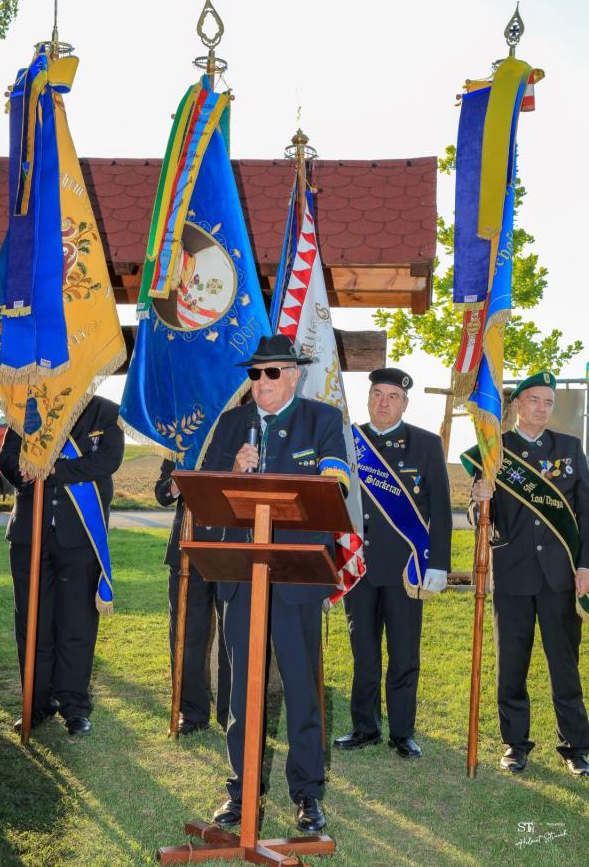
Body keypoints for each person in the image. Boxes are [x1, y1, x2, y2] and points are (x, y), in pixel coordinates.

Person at [200, 334, 350, 834]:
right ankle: (240, 791)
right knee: (242, 688)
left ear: (294, 375)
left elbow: (336, 481)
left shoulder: (322, 421)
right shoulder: (231, 425)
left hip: (296, 576)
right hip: (242, 575)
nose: (260, 382)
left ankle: (306, 794)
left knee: (302, 690)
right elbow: (205, 493)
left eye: (271, 373)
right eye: (255, 373)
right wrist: (232, 471)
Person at [469, 372, 589, 776]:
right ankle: (515, 744)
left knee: (564, 664)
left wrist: (586, 564)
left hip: (560, 577)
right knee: (512, 665)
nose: (542, 408)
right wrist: (477, 498)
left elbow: (586, 514)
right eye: (534, 400)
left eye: (548, 402)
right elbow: (478, 517)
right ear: (517, 404)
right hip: (514, 574)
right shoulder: (494, 451)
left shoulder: (570, 448)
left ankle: (576, 745)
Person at [334, 368, 452, 758]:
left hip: (406, 570)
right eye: (377, 395)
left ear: (405, 403)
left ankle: (402, 732)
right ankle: (364, 727)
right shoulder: (349, 443)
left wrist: (439, 563)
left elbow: (440, 511)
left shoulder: (426, 444)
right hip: (359, 568)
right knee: (364, 654)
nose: (383, 403)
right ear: (368, 399)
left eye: (392, 397)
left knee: (403, 655)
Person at [0, 395, 124, 737]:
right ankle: (36, 704)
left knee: (77, 625)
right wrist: (23, 470)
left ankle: (73, 706)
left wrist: (53, 469)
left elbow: (108, 461)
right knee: (32, 624)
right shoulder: (26, 408)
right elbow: (6, 458)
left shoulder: (107, 412)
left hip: (79, 537)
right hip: (29, 535)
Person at [155, 459, 230, 734]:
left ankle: (231, 712)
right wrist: (176, 484)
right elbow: (161, 493)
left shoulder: (238, 428)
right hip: (186, 549)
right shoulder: (184, 437)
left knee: (233, 635)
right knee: (186, 635)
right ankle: (193, 711)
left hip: (230, 547)